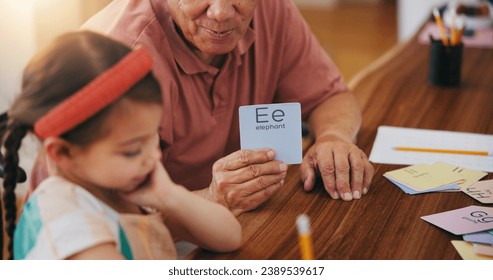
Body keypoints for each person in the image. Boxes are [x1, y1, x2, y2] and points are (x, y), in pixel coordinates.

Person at [38, 0, 374, 216]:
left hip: (221, 218)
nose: (221, 12)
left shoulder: (274, 9)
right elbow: (111, 216)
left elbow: (330, 95)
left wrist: (333, 135)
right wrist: (211, 201)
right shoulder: (121, 55)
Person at [0, 31, 241, 260]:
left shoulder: (123, 187)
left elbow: (230, 237)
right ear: (64, 152)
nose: (152, 156)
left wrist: (170, 194)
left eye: (153, 137)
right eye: (132, 150)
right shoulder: (65, 221)